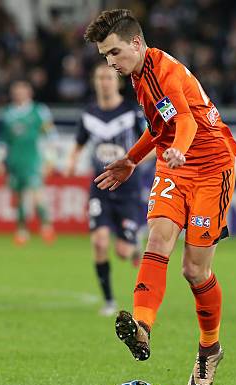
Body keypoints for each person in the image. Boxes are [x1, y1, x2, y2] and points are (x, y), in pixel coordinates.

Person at [84, 9, 236, 385]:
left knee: (194, 271)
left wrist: (179, 152)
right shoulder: (138, 75)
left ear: (136, 43)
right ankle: (141, 326)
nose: (110, 63)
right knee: (157, 241)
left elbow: (183, 123)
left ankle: (210, 348)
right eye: (105, 56)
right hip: (176, 167)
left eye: (115, 53)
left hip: (212, 168)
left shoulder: (165, 71)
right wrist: (132, 160)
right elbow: (160, 128)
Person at [65, 62, 149, 316]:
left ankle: (134, 245)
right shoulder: (89, 114)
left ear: (118, 82)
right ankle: (109, 300)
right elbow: (79, 142)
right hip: (100, 186)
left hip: (127, 188)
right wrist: (71, 162)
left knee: (123, 252)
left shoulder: (131, 112)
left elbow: (152, 144)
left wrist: (131, 162)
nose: (104, 82)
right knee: (99, 243)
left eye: (108, 78)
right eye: (99, 77)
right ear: (94, 82)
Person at [0, 79, 57, 245]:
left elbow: (50, 135)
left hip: (33, 158)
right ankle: (22, 230)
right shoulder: (8, 113)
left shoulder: (39, 111)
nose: (19, 93)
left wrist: (50, 158)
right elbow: (3, 140)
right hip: (14, 160)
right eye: (16, 91)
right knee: (19, 196)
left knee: (36, 193)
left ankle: (46, 226)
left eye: (22, 90)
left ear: (29, 93)